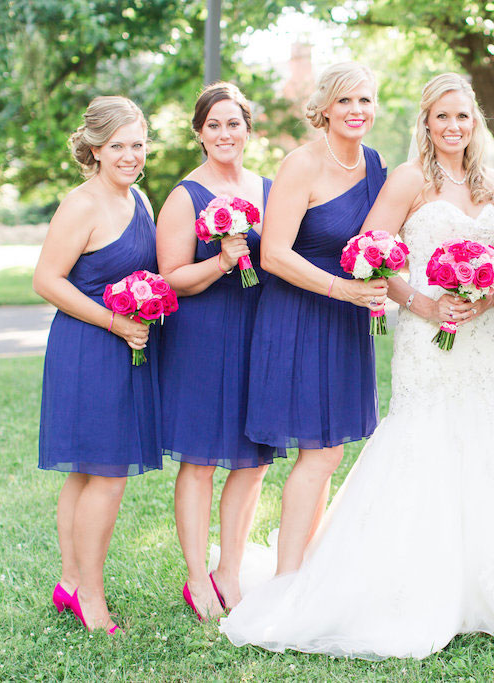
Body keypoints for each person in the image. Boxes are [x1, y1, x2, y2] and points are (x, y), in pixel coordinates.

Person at [220, 73, 494, 659]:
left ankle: (488, 590)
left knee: (490, 446)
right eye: (442, 116)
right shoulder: (407, 179)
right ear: (426, 121)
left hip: (481, 343)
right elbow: (370, 254)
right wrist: (424, 302)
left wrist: (483, 299)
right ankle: (408, 589)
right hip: (426, 338)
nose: (453, 127)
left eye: (464, 117)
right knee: (422, 445)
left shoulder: (492, 184)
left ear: (476, 123)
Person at [244, 63, 388, 575]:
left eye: (365, 100)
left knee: (330, 450)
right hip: (301, 314)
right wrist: (342, 288)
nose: (356, 111)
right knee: (320, 453)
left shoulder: (376, 165)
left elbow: (384, 239)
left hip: (347, 322)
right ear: (324, 108)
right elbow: (274, 254)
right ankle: (287, 579)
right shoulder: (300, 165)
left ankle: (305, 564)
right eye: (346, 101)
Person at [33, 96, 160, 634]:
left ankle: (69, 582)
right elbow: (46, 280)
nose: (130, 156)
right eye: (117, 147)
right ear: (94, 149)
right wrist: (115, 322)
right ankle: (90, 595)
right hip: (89, 348)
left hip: (128, 348)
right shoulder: (82, 204)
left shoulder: (142, 199)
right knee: (106, 476)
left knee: (89, 473)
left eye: (137, 144)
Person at [156, 82, 276, 620]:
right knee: (201, 459)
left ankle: (230, 569)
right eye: (214, 125)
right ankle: (195, 576)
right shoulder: (186, 195)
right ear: (200, 134)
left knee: (252, 461)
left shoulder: (269, 188)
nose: (225, 134)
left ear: (249, 131)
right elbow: (172, 277)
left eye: (234, 124)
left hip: (259, 329)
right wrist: (225, 261)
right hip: (202, 333)